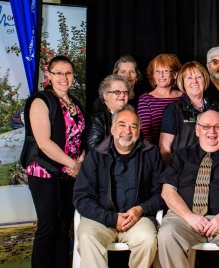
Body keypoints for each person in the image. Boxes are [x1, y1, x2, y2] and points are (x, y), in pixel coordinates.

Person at [157, 110, 219, 268]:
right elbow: (167, 191)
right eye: (206, 127)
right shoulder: (180, 156)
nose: (212, 131)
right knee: (167, 234)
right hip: (185, 218)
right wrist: (190, 216)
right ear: (197, 130)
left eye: (217, 127)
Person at [73, 107, 164, 268]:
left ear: (139, 130)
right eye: (122, 125)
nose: (127, 131)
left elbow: (161, 194)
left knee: (148, 239)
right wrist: (112, 219)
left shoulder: (151, 153)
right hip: (101, 218)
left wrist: (140, 209)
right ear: (112, 129)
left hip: (137, 218)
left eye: (133, 126)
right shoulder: (96, 155)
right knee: (87, 236)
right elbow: (81, 197)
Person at [22, 55, 86, 268]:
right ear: (49, 74)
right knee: (48, 226)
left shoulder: (74, 102)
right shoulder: (40, 101)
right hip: (45, 172)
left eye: (68, 73)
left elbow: (80, 137)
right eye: (58, 72)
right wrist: (73, 164)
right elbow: (44, 143)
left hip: (69, 174)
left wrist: (81, 160)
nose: (63, 77)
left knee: (62, 226)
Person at [160, 61, 219, 164]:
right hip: (185, 170)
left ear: (205, 79)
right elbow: (164, 147)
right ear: (182, 82)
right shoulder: (173, 110)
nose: (195, 81)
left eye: (198, 77)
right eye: (189, 78)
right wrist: (171, 174)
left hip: (216, 167)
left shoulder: (217, 107)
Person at [137, 54, 183, 145]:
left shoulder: (184, 96)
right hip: (157, 152)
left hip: (184, 151)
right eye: (157, 71)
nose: (161, 76)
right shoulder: (146, 100)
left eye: (166, 71)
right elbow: (145, 134)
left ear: (175, 74)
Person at [86, 74, 130, 152]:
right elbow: (94, 150)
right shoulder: (98, 119)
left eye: (125, 92)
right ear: (105, 96)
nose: (123, 95)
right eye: (117, 92)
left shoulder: (131, 116)